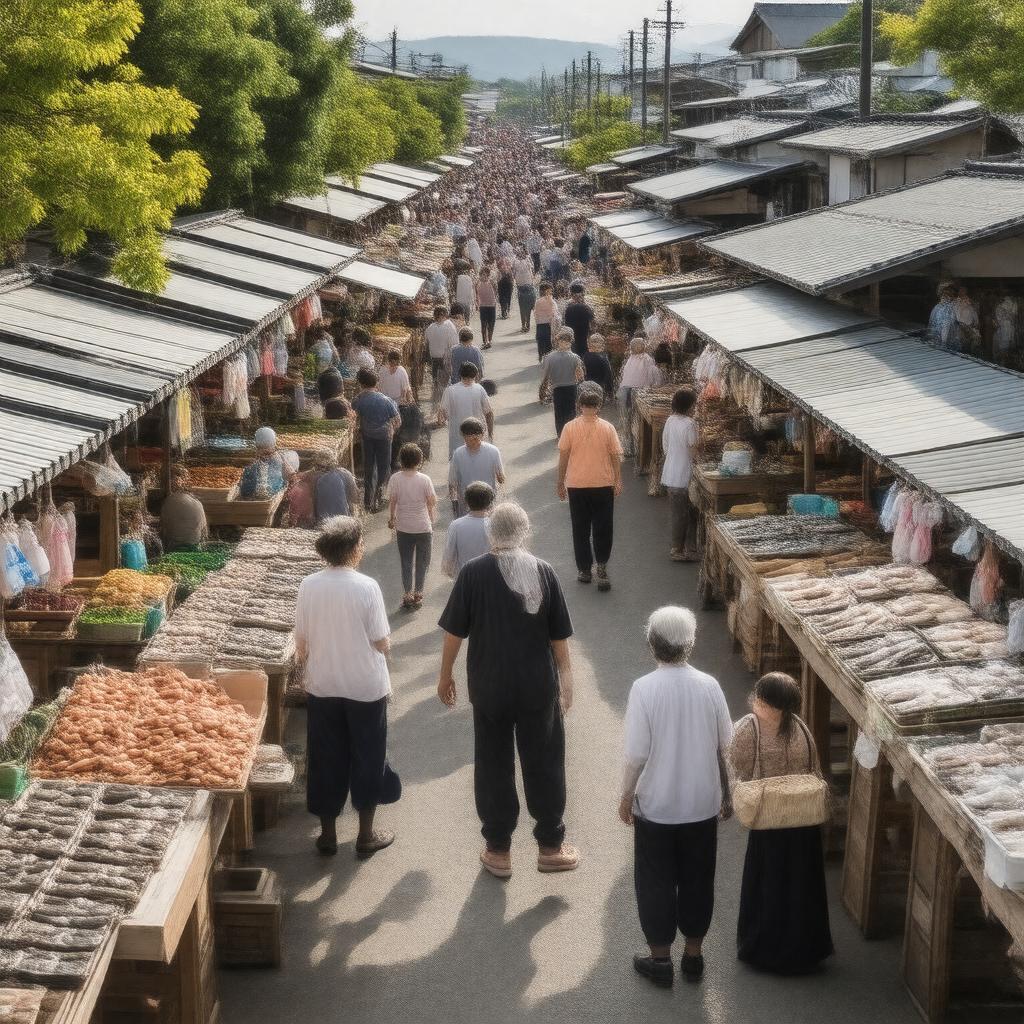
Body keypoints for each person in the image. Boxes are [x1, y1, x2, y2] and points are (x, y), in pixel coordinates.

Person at [437, 503, 579, 878]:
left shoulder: (472, 574)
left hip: (490, 687)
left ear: (491, 534)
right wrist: (567, 680)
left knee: (493, 763)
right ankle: (551, 846)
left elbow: (454, 632)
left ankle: (498, 850)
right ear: (525, 530)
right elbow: (558, 637)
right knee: (545, 762)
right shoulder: (543, 571)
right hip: (537, 688)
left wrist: (445, 674)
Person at [620, 606, 733, 988]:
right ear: (691, 643)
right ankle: (694, 955)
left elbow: (636, 754)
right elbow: (726, 746)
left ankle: (659, 960)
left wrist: (625, 796)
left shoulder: (644, 689)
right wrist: (728, 792)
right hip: (702, 803)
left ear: (652, 644)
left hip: (657, 805)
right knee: (698, 878)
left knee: (655, 881)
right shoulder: (710, 686)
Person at [295, 516, 399, 858]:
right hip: (364, 687)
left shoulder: (309, 585)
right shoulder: (366, 586)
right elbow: (381, 640)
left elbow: (302, 641)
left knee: (326, 757)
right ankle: (365, 834)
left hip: (323, 684)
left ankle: (327, 834)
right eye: (361, 543)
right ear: (353, 549)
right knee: (368, 755)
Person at [730, 672, 833, 975]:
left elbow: (736, 764)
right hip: (803, 824)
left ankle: (765, 948)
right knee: (802, 886)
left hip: (771, 821)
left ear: (766, 702)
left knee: (769, 884)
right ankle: (803, 949)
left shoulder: (750, 729)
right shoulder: (801, 729)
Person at [557, 389, 623, 591]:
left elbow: (564, 457)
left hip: (577, 484)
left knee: (580, 528)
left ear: (579, 405)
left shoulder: (569, 427)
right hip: (603, 484)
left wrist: (560, 481)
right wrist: (618, 479)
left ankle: (585, 569)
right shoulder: (608, 428)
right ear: (599, 407)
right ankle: (601, 567)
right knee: (603, 527)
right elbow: (615, 456)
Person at [387, 443, 437, 610]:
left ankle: (407, 593)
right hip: (423, 527)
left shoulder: (395, 479)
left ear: (401, 460)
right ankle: (418, 593)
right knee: (422, 562)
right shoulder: (425, 479)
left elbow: (393, 501)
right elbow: (431, 503)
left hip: (403, 527)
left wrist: (392, 519)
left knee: (406, 562)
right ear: (419, 460)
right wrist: (431, 518)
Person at [351, 369, 401, 512]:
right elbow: (397, 421)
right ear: (377, 383)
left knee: (369, 467)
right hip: (384, 437)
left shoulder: (358, 401)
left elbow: (353, 418)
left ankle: (368, 500)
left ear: (361, 384)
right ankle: (380, 494)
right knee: (384, 466)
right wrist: (392, 429)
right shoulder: (386, 401)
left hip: (367, 437)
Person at [661, 388, 700, 563]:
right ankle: (678, 549)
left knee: (684, 513)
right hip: (684, 475)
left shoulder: (670, 420)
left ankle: (688, 549)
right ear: (690, 405)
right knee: (684, 514)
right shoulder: (690, 424)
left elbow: (666, 446)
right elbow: (693, 450)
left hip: (671, 473)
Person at [449, 418, 505, 516]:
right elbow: (452, 481)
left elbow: (501, 478)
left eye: (475, 438)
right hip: (469, 502)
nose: (472, 442)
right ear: (463, 437)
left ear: (482, 435)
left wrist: (500, 479)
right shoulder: (458, 454)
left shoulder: (493, 451)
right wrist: (454, 500)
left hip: (483, 500)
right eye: (469, 438)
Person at [618, 338, 663, 458]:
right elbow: (654, 377)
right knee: (635, 421)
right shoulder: (646, 359)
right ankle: (634, 448)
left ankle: (629, 448)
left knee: (628, 420)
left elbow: (625, 376)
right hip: (636, 392)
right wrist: (655, 386)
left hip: (626, 390)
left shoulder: (631, 359)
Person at [439, 364, 494, 459]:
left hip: (457, 437)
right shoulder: (480, 389)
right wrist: (490, 433)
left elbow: (441, 414)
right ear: (475, 375)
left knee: (459, 467)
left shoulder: (450, 390)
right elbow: (489, 413)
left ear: (460, 374)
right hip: (477, 436)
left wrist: (447, 420)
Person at [442, 481, 495, 578]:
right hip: (489, 578)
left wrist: (450, 573)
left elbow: (449, 555)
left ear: (466, 501)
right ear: (490, 502)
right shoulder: (494, 525)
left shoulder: (456, 525)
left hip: (464, 578)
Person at [539, 327, 585, 437]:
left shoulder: (549, 357)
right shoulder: (575, 358)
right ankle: (571, 434)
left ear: (558, 342)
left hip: (557, 388)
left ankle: (560, 433)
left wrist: (543, 390)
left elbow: (545, 376)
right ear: (570, 343)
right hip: (571, 387)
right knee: (571, 411)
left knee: (559, 411)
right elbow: (580, 376)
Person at [160, 468, 208, 549]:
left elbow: (164, 528)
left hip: (178, 545)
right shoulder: (195, 500)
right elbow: (204, 530)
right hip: (196, 543)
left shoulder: (171, 500)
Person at [239, 426, 289, 499]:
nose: (265, 455)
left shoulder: (277, 457)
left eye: (267, 453)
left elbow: (288, 472)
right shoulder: (278, 457)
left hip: (259, 492)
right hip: (266, 491)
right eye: (262, 450)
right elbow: (288, 473)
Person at [426, 306, 458, 408]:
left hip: (434, 358)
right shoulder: (449, 326)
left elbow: (427, 341)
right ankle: (445, 405)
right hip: (445, 358)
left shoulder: (430, 328)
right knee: (445, 383)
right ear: (444, 315)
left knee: (436, 382)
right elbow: (453, 344)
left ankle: (436, 405)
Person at [313, 453, 359, 524]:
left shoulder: (314, 479)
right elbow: (356, 499)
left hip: (323, 522)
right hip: (343, 520)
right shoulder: (345, 474)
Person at [563, 282, 596, 357]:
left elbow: (563, 322)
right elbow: (593, 322)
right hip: (584, 338)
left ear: (571, 294)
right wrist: (592, 335)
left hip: (571, 338)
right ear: (583, 293)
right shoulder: (588, 306)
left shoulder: (567, 306)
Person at [582, 333, 614, 401]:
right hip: (600, 386)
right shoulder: (603, 357)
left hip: (587, 385)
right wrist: (610, 390)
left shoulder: (585, 356)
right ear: (602, 345)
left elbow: (582, 372)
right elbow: (608, 373)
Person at [512, 246, 536, 333]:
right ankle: (524, 325)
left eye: (522, 252)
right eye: (519, 252)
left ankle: (527, 325)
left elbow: (532, 270)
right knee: (523, 308)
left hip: (527, 285)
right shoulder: (515, 261)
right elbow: (513, 272)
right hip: (522, 286)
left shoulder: (528, 259)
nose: (521, 254)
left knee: (527, 307)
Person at [534, 281, 558, 363]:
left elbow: (536, 315)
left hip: (540, 325)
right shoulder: (552, 301)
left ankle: (541, 355)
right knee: (549, 342)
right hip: (549, 325)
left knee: (540, 341)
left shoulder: (538, 301)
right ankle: (549, 359)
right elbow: (555, 314)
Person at [477, 266, 497, 349]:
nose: (484, 277)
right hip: (483, 306)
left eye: (485, 275)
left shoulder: (491, 283)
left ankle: (489, 340)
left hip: (491, 306)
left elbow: (496, 292)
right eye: (482, 275)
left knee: (491, 324)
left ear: (488, 275)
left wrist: (495, 301)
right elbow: (475, 294)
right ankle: (485, 341)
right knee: (483, 324)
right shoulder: (478, 283)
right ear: (480, 275)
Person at [496, 253, 515, 320]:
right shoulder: (508, 260)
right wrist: (512, 283)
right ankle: (507, 311)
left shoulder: (499, 261)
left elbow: (498, 273)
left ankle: (503, 312)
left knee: (502, 297)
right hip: (508, 281)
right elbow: (511, 273)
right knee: (508, 297)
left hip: (501, 282)